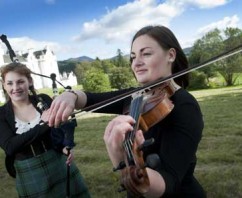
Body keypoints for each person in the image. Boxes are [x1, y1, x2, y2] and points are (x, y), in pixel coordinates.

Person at [48, 25, 206, 197]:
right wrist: (70, 95)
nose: (136, 63)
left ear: (171, 55)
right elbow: (89, 99)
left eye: (146, 53)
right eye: (133, 57)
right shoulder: (137, 96)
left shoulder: (184, 106)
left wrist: (122, 160)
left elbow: (166, 184)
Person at [0, 62, 90, 198]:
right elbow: (11, 146)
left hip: (57, 162)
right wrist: (43, 124)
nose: (15, 87)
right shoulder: (1, 114)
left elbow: (57, 131)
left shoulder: (43, 100)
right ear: (4, 85)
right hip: (28, 171)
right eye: (10, 83)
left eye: (20, 82)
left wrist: (63, 147)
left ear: (29, 81)